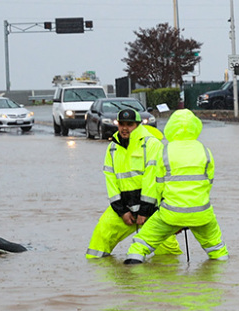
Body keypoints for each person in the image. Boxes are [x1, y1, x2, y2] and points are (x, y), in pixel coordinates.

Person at [124, 109, 228, 264]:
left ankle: (133, 275)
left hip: (170, 212)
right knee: (217, 248)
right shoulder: (205, 151)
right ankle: (221, 275)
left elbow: (158, 185)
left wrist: (164, 207)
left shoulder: (165, 151)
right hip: (202, 212)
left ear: (171, 127)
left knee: (140, 244)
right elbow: (209, 182)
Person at [85, 109, 181, 260]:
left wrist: (144, 210)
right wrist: (122, 211)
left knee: (168, 255)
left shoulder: (152, 144)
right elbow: (110, 182)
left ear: (138, 125)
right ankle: (99, 277)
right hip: (125, 208)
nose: (124, 128)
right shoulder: (112, 148)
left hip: (152, 210)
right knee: (99, 241)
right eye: (121, 124)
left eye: (129, 124)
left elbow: (152, 180)